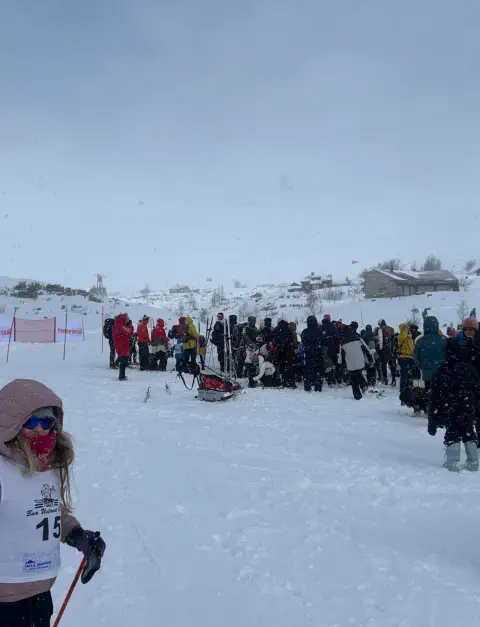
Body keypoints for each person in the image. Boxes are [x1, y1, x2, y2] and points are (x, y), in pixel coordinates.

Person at [0, 379, 106, 626]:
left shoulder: (47, 467)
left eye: (47, 422)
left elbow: (46, 509)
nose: (40, 429)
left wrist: (78, 535)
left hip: (40, 592)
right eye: (31, 422)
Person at [428, 339, 480, 472]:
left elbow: (434, 397)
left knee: (452, 433)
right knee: (469, 432)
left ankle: (452, 463)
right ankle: (474, 462)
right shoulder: (470, 369)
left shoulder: (441, 371)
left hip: (450, 409)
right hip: (468, 408)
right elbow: (477, 392)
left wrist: (432, 420)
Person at [414, 316, 446, 395]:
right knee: (442, 394)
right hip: (442, 373)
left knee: (428, 394)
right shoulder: (444, 340)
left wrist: (423, 367)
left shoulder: (420, 341)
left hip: (427, 374)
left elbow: (416, 358)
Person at [342, 322, 372, 400]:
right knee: (358, 373)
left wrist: (343, 365)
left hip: (350, 363)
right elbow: (366, 348)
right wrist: (370, 358)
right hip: (360, 361)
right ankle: (363, 385)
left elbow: (341, 355)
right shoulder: (358, 338)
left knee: (353, 378)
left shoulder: (342, 341)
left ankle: (357, 395)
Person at [301, 315, 324, 392]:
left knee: (308, 369)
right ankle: (318, 385)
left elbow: (303, 341)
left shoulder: (304, 332)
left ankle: (307, 385)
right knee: (318, 369)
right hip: (318, 353)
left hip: (308, 353)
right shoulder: (319, 331)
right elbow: (323, 341)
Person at [274, 319, 296, 389]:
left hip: (280, 350)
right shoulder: (288, 329)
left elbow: (275, 339)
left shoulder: (277, 329)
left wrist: (279, 344)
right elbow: (291, 339)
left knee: (280, 365)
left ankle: (280, 380)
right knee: (289, 365)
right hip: (288, 350)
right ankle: (290, 381)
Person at [397, 323, 415, 405]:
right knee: (405, 377)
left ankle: (408, 396)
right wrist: (405, 329)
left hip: (410, 358)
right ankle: (403, 396)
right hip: (403, 358)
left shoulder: (409, 337)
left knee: (409, 378)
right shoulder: (401, 336)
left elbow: (412, 348)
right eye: (406, 328)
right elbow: (403, 337)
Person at [112, 313, 134, 381]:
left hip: (118, 344)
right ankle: (121, 376)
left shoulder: (115, 325)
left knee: (122, 359)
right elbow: (129, 332)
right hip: (123, 344)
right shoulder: (121, 326)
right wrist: (130, 325)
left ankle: (122, 375)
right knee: (124, 360)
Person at [322, 315, 341, 386]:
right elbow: (337, 338)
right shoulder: (333, 327)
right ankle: (338, 379)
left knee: (328, 366)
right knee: (335, 364)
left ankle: (330, 380)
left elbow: (321, 339)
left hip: (325, 349)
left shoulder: (322, 327)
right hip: (334, 349)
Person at [376, 319, 396, 386]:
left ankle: (385, 379)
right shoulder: (391, 329)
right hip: (392, 350)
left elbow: (380, 341)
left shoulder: (381, 330)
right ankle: (393, 380)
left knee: (384, 365)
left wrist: (380, 349)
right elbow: (394, 339)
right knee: (392, 365)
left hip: (385, 351)